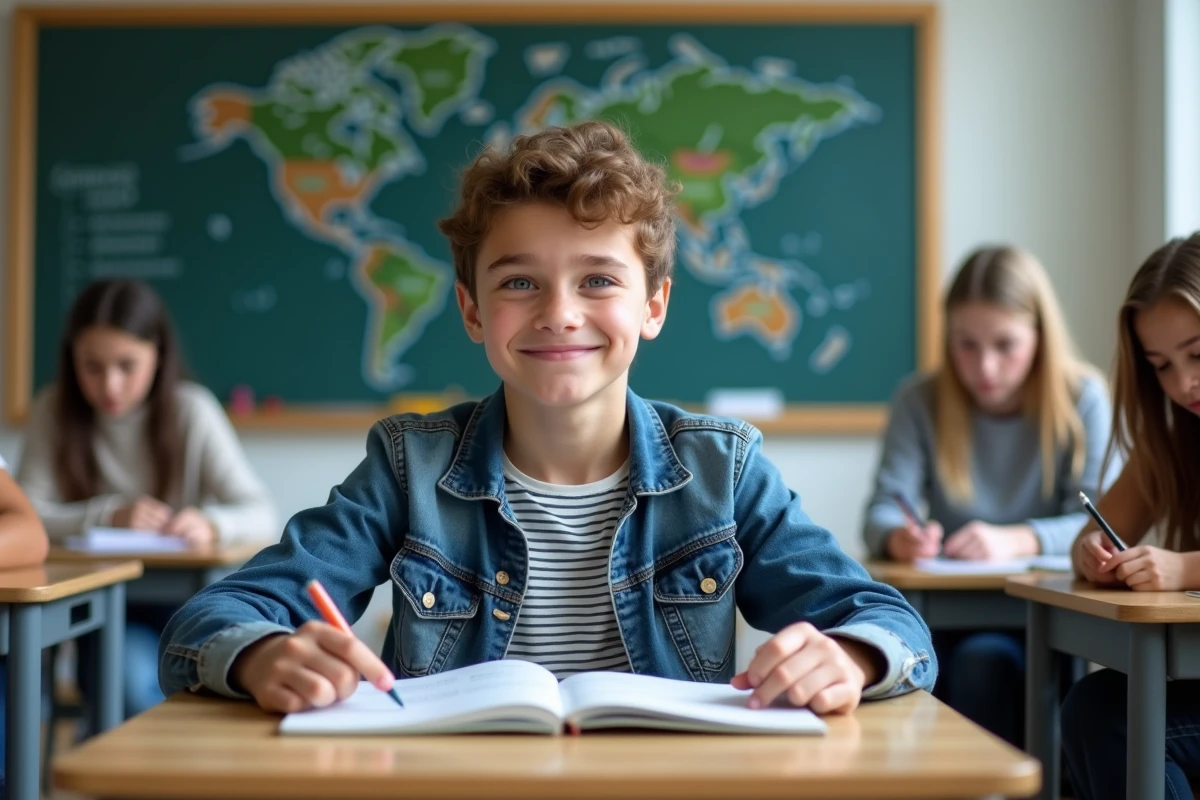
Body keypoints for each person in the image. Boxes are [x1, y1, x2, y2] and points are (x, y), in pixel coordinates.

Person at [159, 121, 936, 716]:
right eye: (520, 284)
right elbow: (209, 619)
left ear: (654, 305)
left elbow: (888, 622)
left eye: (598, 279)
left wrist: (855, 659)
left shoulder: (722, 471)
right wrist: (259, 656)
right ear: (471, 309)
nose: (561, 314)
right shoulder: (408, 466)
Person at [862, 245, 1115, 745]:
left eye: (1006, 344)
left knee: (987, 664)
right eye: (966, 344)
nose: (986, 367)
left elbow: (1105, 523)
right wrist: (899, 538)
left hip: (1049, 615)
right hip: (944, 614)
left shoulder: (1084, 397)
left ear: (1040, 337)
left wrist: (1016, 540)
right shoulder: (921, 400)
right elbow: (882, 508)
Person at [17, 278, 277, 717]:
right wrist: (107, 515)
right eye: (92, 366)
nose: (110, 385)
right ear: (71, 360)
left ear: (157, 354)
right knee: (123, 677)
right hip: (93, 611)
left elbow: (261, 512)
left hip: (185, 609)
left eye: (126, 365)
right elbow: (25, 516)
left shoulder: (191, 410)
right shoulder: (53, 409)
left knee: (141, 680)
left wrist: (210, 522)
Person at [1063, 232, 1200, 800]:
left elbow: (1180, 571)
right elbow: (1092, 532)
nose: (1182, 384)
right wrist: (1093, 554)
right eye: (1161, 366)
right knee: (1094, 707)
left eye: (1198, 355)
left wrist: (1182, 570)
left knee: (1110, 722)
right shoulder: (1171, 439)